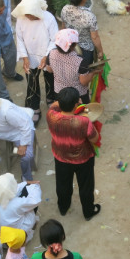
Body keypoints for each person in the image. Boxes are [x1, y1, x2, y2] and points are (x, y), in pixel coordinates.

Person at [46, 87, 101, 219]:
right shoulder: (83, 121)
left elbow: (54, 106)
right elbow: (95, 138)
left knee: (62, 184)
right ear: (76, 104)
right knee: (86, 187)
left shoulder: (51, 116)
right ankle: (88, 212)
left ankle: (63, 207)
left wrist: (65, 100)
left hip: (61, 157)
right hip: (83, 159)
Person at [14, 0, 58, 125]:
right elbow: (20, 39)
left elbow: (54, 39)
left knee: (50, 77)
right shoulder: (21, 19)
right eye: (26, 14)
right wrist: (25, 58)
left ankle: (51, 99)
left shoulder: (49, 18)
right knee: (32, 82)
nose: (28, 16)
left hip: (47, 54)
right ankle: (35, 107)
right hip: (30, 55)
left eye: (30, 14)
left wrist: (46, 56)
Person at [47, 29, 98, 104]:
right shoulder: (80, 61)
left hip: (60, 93)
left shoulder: (51, 54)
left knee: (64, 113)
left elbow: (49, 70)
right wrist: (93, 73)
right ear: (73, 45)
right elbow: (83, 82)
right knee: (81, 113)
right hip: (78, 95)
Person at [0, 173, 42, 241]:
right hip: (17, 231)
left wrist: (26, 182)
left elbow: (15, 188)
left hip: (2, 231)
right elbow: (36, 200)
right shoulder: (16, 203)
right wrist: (35, 186)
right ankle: (30, 228)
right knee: (30, 205)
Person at [60, 0, 104, 66]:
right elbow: (94, 37)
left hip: (70, 47)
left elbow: (63, 28)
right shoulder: (89, 16)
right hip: (86, 51)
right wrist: (100, 51)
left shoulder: (65, 9)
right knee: (85, 73)